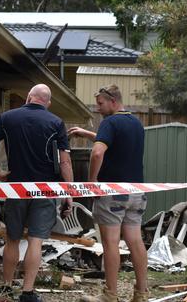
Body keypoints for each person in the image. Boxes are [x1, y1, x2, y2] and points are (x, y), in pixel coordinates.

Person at [0, 84, 74, 302]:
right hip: (46, 190)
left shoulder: (8, 117)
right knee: (35, 241)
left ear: (29, 97)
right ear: (47, 103)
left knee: (12, 239)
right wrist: (69, 193)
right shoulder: (56, 122)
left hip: (15, 188)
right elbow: (65, 161)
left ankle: (6, 286)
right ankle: (27, 293)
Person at [68, 85, 148, 302]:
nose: (97, 108)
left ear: (113, 101)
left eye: (100, 103)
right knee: (135, 240)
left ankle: (110, 295)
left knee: (111, 243)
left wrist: (92, 182)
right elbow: (114, 142)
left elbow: (97, 153)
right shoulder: (136, 124)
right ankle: (141, 293)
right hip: (137, 193)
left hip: (112, 193)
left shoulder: (110, 122)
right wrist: (88, 134)